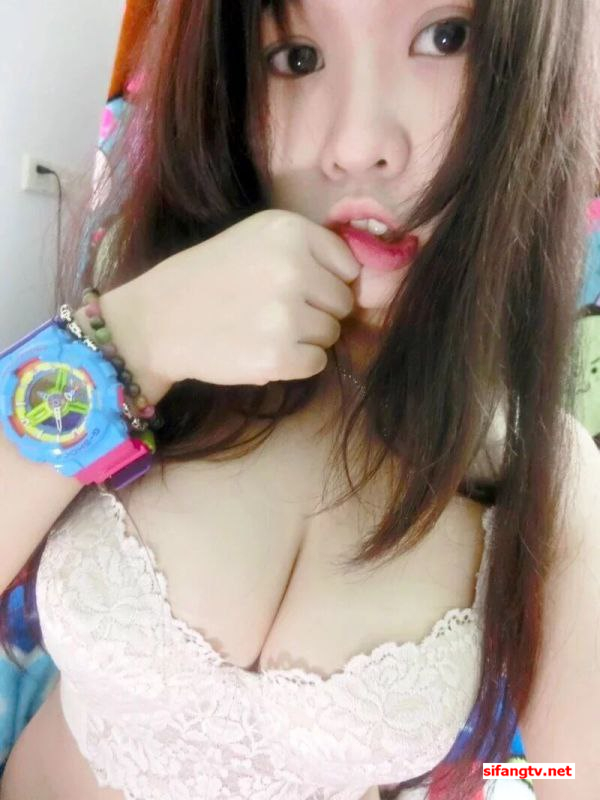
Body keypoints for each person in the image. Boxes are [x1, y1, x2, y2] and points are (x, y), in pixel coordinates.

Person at [0, 1, 599, 799]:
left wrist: (477, 781)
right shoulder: (148, 320)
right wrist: (131, 342)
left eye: (444, 39)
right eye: (297, 58)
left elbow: (569, 776)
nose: (357, 147)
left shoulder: (544, 472)